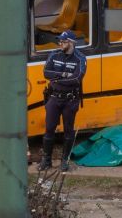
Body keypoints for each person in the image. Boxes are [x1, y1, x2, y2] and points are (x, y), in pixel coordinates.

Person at [39, 30, 87, 171]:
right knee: (49, 128)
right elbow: (46, 73)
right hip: (54, 98)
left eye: (64, 41)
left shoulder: (80, 58)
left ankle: (64, 161)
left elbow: (76, 78)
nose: (60, 43)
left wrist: (58, 78)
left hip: (70, 100)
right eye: (60, 41)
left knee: (68, 130)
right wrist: (63, 74)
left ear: (71, 43)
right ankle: (46, 160)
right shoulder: (54, 55)